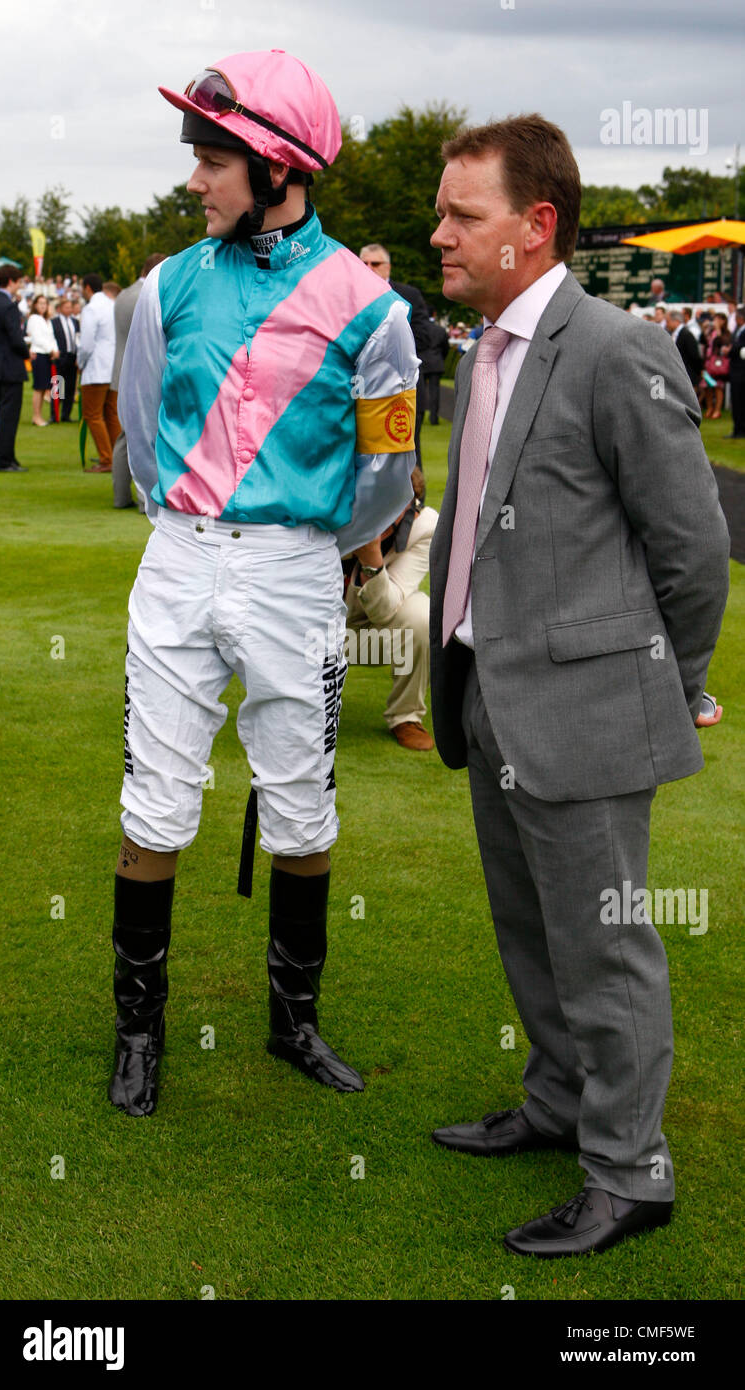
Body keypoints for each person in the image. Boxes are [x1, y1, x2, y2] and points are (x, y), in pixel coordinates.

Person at [427, 114, 729, 1258]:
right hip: (489, 696)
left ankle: (629, 1171)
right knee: (531, 930)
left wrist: (658, 684)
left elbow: (692, 551)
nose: (439, 235)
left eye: (464, 215)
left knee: (604, 946)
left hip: (588, 711)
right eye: (441, 212)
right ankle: (559, 1104)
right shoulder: (484, 347)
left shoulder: (614, 348)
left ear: (534, 224)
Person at [110, 48, 418, 1117]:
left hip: (296, 570)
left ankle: (294, 1022)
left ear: (278, 166)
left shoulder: (372, 313)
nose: (193, 179)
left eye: (211, 159)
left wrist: (298, 546)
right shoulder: (162, 285)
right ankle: (138, 1032)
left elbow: (389, 479)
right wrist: (197, 522)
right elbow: (141, 440)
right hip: (181, 555)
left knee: (302, 804)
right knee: (154, 797)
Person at [344, 467, 436, 750]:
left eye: (390, 505)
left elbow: (386, 610)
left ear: (409, 505)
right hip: (312, 635)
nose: (379, 514)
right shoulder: (331, 511)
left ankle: (406, 717)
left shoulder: (425, 526)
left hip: (368, 638)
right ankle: (294, 708)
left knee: (422, 614)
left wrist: (371, 558)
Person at [359, 242, 430, 469]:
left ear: (388, 267)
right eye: (364, 263)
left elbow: (422, 338)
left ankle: (414, 503)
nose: (369, 268)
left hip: (401, 389)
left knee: (407, 452)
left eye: (376, 263)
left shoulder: (408, 295)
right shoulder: (348, 297)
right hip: (359, 389)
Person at [110, 254, 167, 508]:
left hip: (120, 368)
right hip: (141, 369)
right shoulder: (148, 294)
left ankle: (121, 495)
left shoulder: (123, 294)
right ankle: (146, 499)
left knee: (125, 433)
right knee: (144, 433)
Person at [0, 266, 29, 472]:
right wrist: (27, 352)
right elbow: (16, 339)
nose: (19, 285)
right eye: (18, 281)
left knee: (4, 415)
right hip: (10, 366)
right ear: (11, 281)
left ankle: (7, 456)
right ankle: (4, 459)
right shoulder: (9, 306)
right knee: (10, 417)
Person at [77, 272, 120, 472]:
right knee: (112, 414)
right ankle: (117, 456)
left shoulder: (91, 308)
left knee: (93, 414)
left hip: (97, 367)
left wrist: (80, 362)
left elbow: (86, 343)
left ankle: (106, 459)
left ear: (87, 287)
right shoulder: (112, 305)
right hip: (114, 366)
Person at [25, 293, 60, 425]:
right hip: (39, 354)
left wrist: (55, 350)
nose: (43, 306)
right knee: (39, 387)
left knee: (45, 386)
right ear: (35, 305)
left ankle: (39, 415)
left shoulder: (47, 320)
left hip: (48, 355)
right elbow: (37, 338)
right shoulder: (34, 318)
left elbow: (52, 337)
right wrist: (51, 349)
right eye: (40, 303)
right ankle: (36, 415)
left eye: (45, 303)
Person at [52, 299, 80, 421]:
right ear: (60, 308)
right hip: (61, 357)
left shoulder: (75, 322)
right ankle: (55, 414)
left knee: (70, 386)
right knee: (58, 386)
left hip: (72, 356)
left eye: (70, 307)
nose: (68, 309)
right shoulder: (54, 322)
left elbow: (79, 339)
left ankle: (66, 414)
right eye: (66, 307)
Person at [420, 312, 450, 424]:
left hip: (421, 362)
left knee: (420, 391)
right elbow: (445, 347)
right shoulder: (440, 330)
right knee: (434, 391)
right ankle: (434, 417)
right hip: (436, 362)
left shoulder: (419, 329)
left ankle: (419, 416)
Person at [702, 312, 730, 419]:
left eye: (717, 320)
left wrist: (718, 330)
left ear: (723, 321)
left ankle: (717, 410)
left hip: (718, 364)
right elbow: (704, 341)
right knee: (707, 385)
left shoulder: (725, 333)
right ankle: (710, 407)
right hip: (708, 362)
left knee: (718, 386)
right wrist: (705, 329)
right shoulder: (711, 332)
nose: (715, 322)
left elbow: (722, 343)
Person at [665, 307, 702, 390]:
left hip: (688, 375)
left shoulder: (686, 334)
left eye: (668, 321)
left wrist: (697, 373)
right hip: (680, 375)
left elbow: (694, 355)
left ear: (676, 321)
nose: (666, 324)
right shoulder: (676, 333)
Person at [724, 304, 745, 438]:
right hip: (736, 371)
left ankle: (740, 430)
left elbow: (739, 347)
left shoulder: (742, 332)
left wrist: (730, 350)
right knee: (736, 402)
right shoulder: (738, 330)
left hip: (741, 372)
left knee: (740, 401)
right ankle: (738, 429)